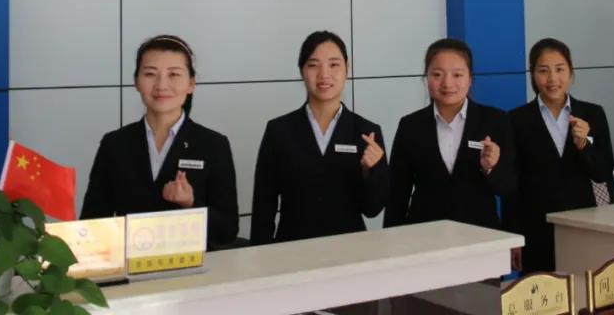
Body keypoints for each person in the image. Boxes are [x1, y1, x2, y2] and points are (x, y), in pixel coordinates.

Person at [80, 35, 239, 249]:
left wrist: (190, 204)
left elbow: (227, 230)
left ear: (191, 84)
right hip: (130, 263)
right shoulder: (114, 144)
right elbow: (92, 223)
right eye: (150, 74)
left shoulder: (213, 145)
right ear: (136, 82)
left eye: (174, 74)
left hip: (193, 265)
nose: (161, 85)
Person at [250, 31, 389, 244]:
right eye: (314, 65)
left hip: (350, 250)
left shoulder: (366, 132)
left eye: (334, 65)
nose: (324, 74)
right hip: (292, 249)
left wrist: (371, 171)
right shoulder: (279, 130)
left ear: (347, 69)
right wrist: (261, 255)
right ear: (302, 70)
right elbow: (263, 206)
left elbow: (373, 209)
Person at [506, 37, 614, 273]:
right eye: (543, 70)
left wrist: (583, 145)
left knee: (585, 291)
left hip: (584, 226)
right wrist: (514, 238)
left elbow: (603, 172)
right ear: (533, 74)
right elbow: (512, 187)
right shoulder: (516, 120)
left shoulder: (593, 114)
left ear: (571, 72)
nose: (552, 79)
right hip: (536, 230)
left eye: (559, 69)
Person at [384, 38, 516, 230]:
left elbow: (508, 187)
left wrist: (491, 168)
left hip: (481, 234)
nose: (447, 83)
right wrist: (392, 238)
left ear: (470, 79)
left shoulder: (495, 120)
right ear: (426, 78)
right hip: (424, 233)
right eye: (437, 74)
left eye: (457, 75)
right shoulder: (410, 125)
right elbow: (397, 193)